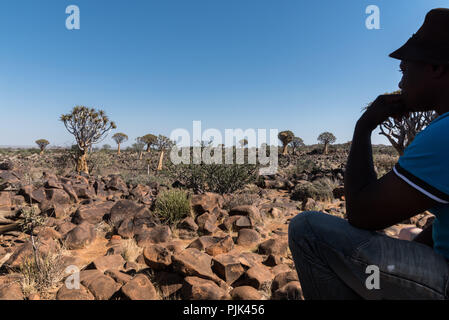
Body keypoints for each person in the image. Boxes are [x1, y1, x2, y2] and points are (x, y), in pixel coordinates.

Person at [288, 8, 449, 299]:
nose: (400, 83)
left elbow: (362, 214)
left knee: (307, 229)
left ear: (437, 67)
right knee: (409, 234)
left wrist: (363, 128)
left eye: (405, 70)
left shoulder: (444, 134)